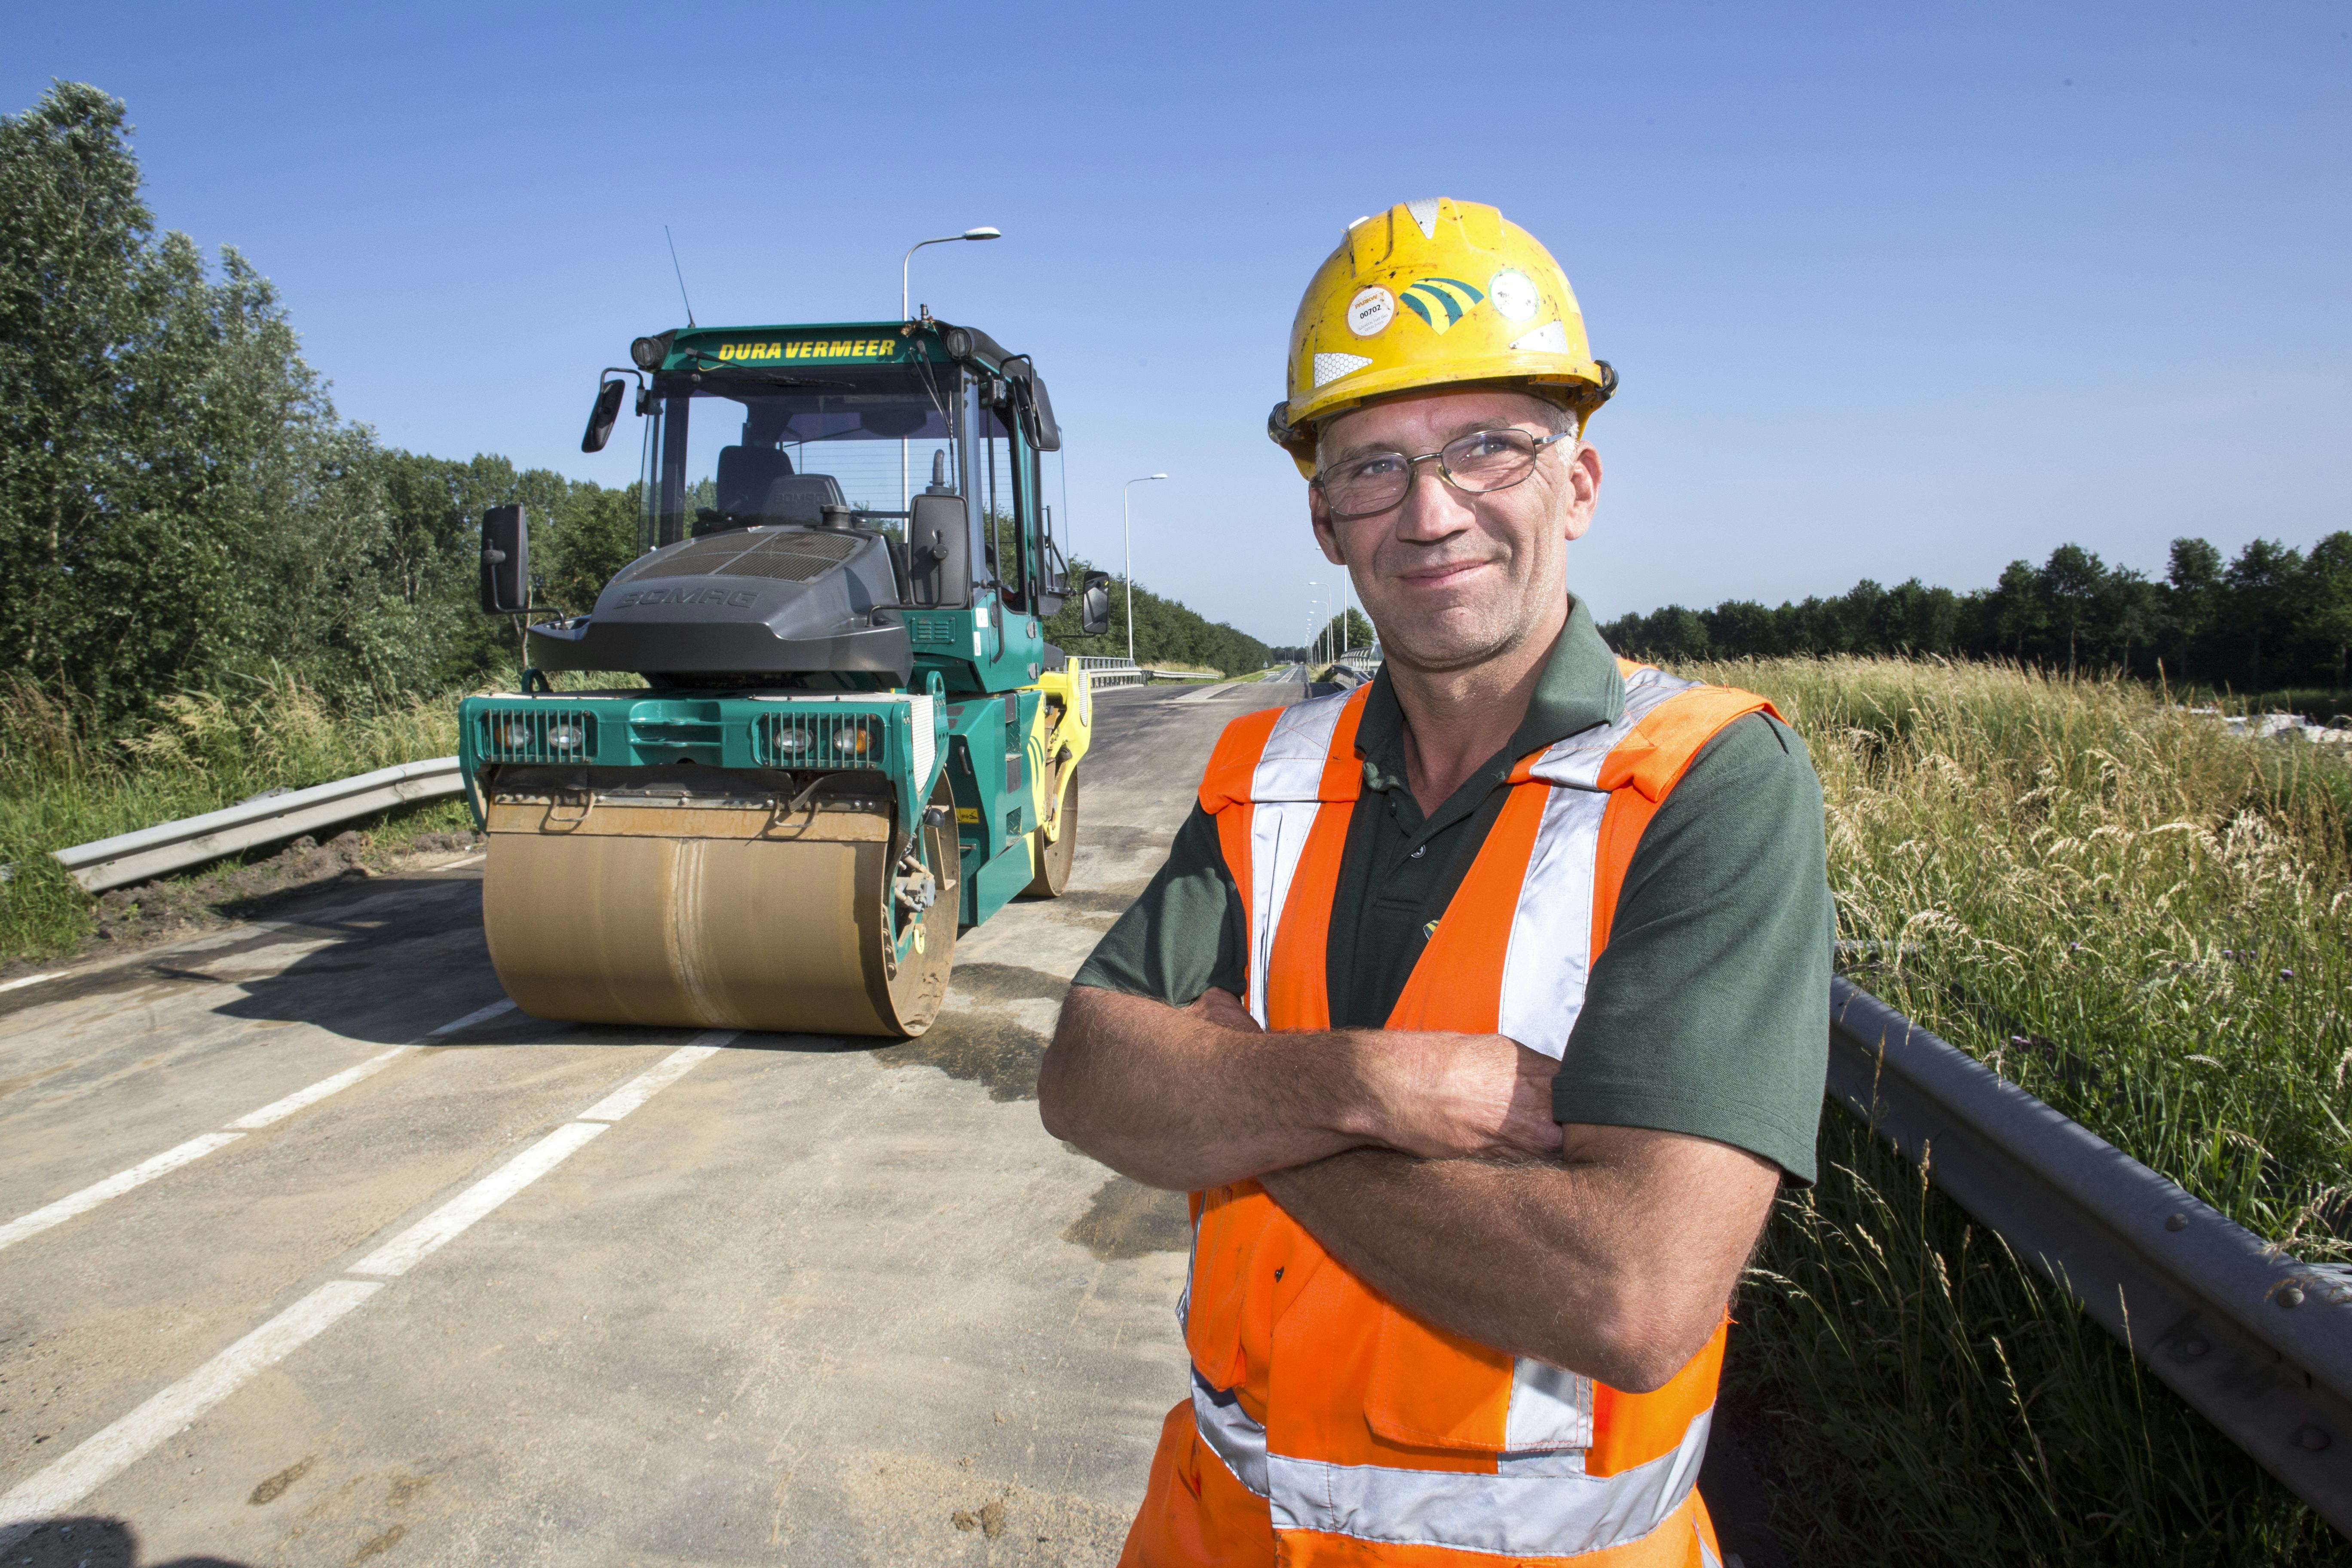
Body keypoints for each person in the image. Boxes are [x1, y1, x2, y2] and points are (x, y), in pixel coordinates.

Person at [1038, 198, 1831, 1567]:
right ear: (1324, 519)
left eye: (1488, 447)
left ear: (1579, 484)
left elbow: (1632, 1291)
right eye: (1373, 466)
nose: (1431, 510)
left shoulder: (1706, 784)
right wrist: (1372, 1084)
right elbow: (1086, 1078)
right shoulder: (1270, 774)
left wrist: (1243, 1100)